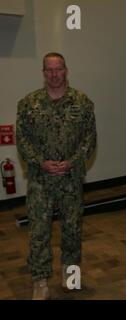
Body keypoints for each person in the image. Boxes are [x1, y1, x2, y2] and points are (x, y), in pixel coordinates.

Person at [16, 52, 97, 300]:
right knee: (39, 231)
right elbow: (22, 140)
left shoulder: (82, 103)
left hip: (71, 179)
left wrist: (71, 162)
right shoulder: (28, 104)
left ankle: (70, 275)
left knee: (72, 229)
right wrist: (41, 162)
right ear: (43, 72)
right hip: (41, 180)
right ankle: (40, 281)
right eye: (49, 70)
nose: (54, 74)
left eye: (58, 69)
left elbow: (89, 139)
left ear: (66, 70)